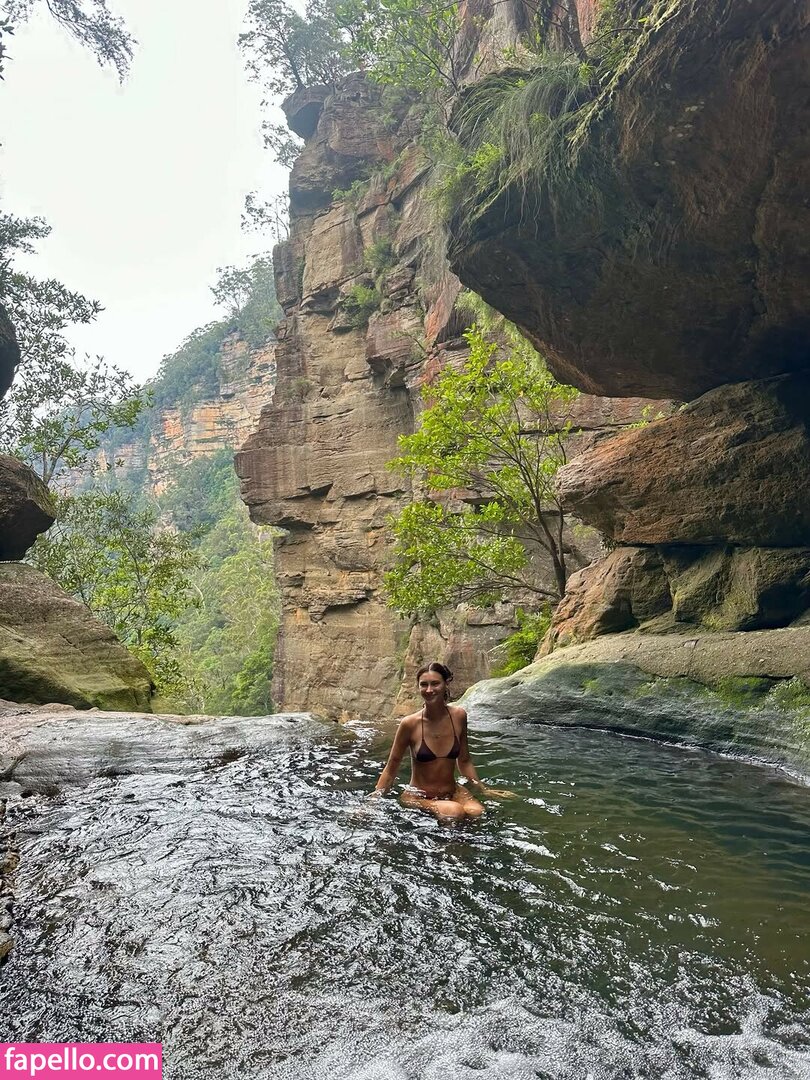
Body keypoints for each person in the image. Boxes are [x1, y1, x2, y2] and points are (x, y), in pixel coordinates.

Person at [372, 661, 510, 819]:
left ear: (446, 684)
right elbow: (391, 768)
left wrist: (483, 789)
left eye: (435, 683)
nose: (429, 690)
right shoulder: (409, 724)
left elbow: (464, 760)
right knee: (453, 811)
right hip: (418, 796)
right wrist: (374, 800)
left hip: (452, 792)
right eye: (424, 685)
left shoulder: (459, 716)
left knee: (476, 812)